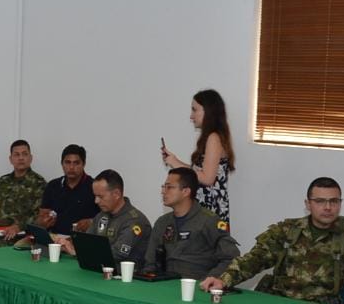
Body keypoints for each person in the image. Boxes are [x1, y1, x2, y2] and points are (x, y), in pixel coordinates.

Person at [201, 177, 344, 304]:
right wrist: (223, 280)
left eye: (334, 201)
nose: (327, 207)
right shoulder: (286, 231)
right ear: (308, 204)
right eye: (320, 201)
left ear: (340, 203)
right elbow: (253, 260)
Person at [145, 168, 240, 280]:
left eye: (169, 187)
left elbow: (231, 257)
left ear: (186, 192)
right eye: (164, 187)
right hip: (165, 283)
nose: (163, 192)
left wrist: (211, 279)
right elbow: (150, 262)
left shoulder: (209, 221)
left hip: (197, 284)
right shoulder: (162, 222)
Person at [161, 89, 236, 221]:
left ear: (208, 111)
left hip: (209, 210)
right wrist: (175, 161)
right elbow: (200, 172)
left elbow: (207, 178)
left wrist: (176, 163)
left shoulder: (213, 138)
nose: (191, 116)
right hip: (204, 207)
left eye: (195, 110)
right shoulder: (210, 137)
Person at [60, 170, 151, 270]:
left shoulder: (135, 221)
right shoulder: (101, 216)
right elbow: (87, 242)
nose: (96, 201)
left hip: (126, 276)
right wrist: (69, 244)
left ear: (116, 194)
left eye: (100, 196)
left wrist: (75, 252)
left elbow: (117, 254)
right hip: (100, 270)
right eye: (95, 196)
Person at [0, 139, 46, 247]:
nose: (21, 158)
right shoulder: (3, 181)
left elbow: (38, 214)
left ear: (30, 158)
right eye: (16, 155)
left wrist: (18, 227)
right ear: (11, 159)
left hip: (19, 233)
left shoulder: (39, 183)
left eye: (24, 154)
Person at [36, 144, 96, 235]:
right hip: (55, 239)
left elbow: (108, 219)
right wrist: (43, 222)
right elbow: (41, 218)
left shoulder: (94, 186)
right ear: (62, 164)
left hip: (83, 240)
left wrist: (91, 222)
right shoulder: (53, 186)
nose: (71, 167)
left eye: (76, 163)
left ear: (83, 164)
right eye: (67, 162)